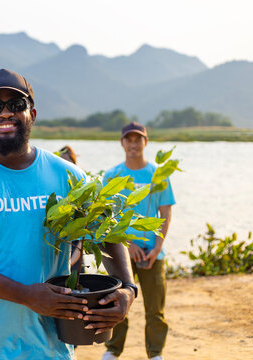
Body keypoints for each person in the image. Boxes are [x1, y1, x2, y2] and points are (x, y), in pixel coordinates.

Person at [0, 68, 137, 359]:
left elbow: (107, 232)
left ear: (32, 114)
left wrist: (127, 289)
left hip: (51, 348)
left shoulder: (68, 176)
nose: (5, 113)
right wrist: (25, 295)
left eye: (16, 105)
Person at [101, 122, 175, 360]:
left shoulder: (159, 175)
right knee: (116, 302)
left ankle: (155, 354)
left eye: (138, 139)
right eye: (129, 139)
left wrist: (156, 248)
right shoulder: (112, 176)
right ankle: (113, 351)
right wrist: (126, 244)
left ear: (146, 142)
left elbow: (165, 212)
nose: (133, 144)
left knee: (155, 309)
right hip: (120, 252)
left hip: (153, 253)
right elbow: (106, 215)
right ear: (122, 143)